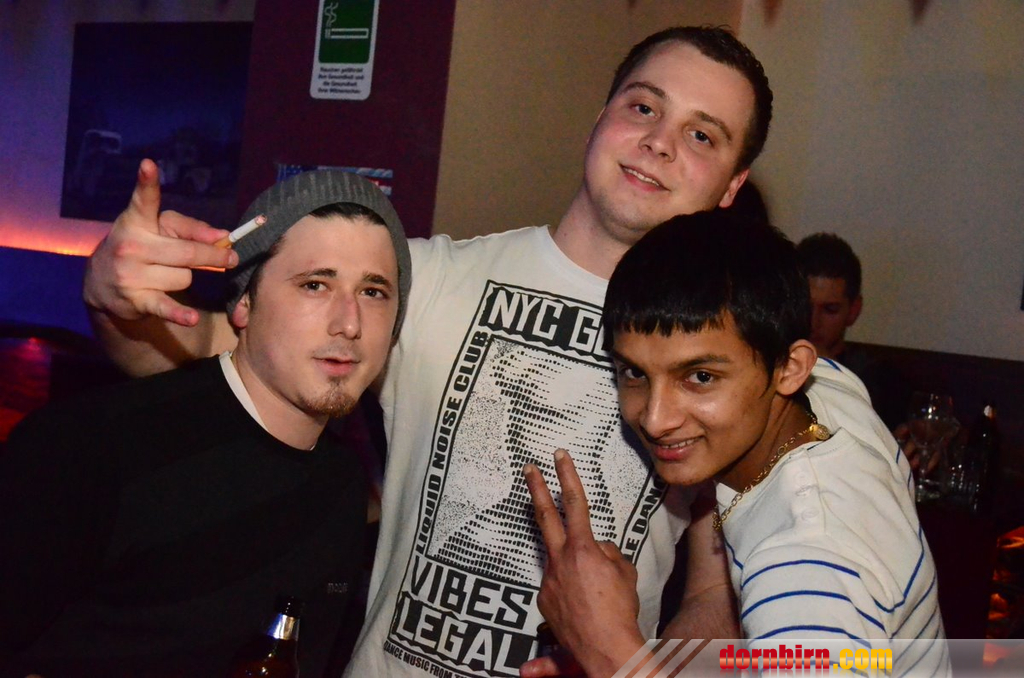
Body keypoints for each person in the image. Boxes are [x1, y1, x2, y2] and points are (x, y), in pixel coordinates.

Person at [80, 26, 901, 678]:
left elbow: (725, 576)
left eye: (701, 134)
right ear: (602, 118)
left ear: (732, 187)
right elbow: (208, 355)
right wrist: (121, 304)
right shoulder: (429, 278)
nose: (658, 143)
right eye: (643, 107)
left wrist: (644, 648)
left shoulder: (739, 358)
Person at [0, 170, 411, 677]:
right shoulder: (87, 449)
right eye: (314, 285)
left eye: (373, 292)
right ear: (244, 304)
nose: (349, 323)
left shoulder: (343, 487)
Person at [524, 212, 949, 677]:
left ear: (790, 368)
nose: (655, 419)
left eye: (701, 377)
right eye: (634, 373)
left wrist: (610, 652)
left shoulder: (804, 562)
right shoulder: (832, 389)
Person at [797, 233, 911, 429]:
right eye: (805, 307)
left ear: (853, 310)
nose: (813, 322)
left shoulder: (877, 380)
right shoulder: (768, 365)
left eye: (830, 310)